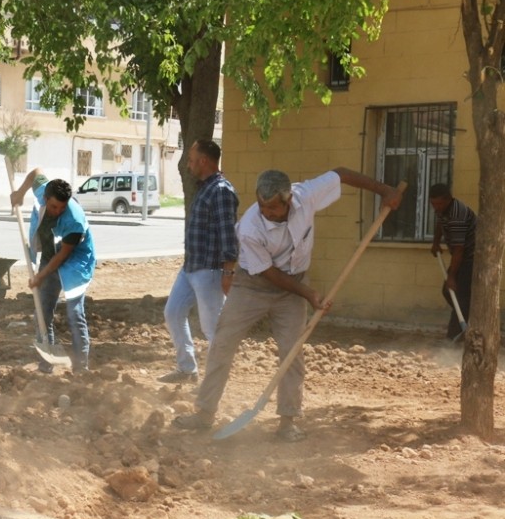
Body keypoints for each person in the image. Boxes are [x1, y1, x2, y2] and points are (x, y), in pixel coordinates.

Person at [174, 167, 403, 441]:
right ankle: (203, 413)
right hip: (253, 284)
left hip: (293, 286)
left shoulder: (305, 195)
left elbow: (341, 174)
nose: (266, 212)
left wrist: (385, 191)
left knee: (292, 351)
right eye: (262, 206)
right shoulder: (249, 227)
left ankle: (288, 421)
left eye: (272, 208)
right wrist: (308, 293)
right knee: (223, 342)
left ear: (288, 200)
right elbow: (268, 272)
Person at [160, 140, 239, 383]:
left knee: (213, 329)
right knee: (173, 313)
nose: (189, 164)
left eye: (192, 159)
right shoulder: (205, 188)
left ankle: (217, 380)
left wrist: (228, 272)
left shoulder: (221, 191)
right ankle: (187, 370)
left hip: (211, 270)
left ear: (204, 161)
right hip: (192, 266)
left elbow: (228, 233)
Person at [11, 168, 96, 373]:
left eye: (61, 207)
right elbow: (35, 173)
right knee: (42, 310)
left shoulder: (73, 219)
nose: (57, 211)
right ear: (45, 197)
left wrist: (40, 276)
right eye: (53, 206)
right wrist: (20, 193)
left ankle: (81, 367)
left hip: (75, 262)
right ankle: (46, 361)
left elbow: (63, 256)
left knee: (74, 313)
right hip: (51, 256)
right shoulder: (43, 191)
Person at [428, 183, 476, 339]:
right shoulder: (443, 209)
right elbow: (440, 223)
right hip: (462, 256)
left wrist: (452, 276)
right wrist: (436, 242)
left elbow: (459, 249)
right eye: (433, 204)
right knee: (449, 292)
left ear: (449, 200)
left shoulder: (457, 215)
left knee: (460, 296)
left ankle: (454, 337)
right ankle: (466, 319)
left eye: (439, 204)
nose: (436, 207)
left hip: (472, 257)